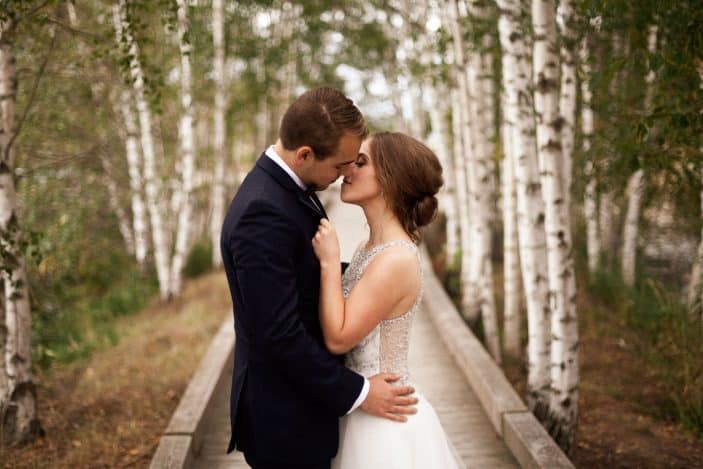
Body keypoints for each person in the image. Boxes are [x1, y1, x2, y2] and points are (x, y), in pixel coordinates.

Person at [220, 88, 418, 469]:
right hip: (284, 418)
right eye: (341, 164)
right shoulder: (262, 212)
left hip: (306, 409)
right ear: (305, 154)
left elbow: (299, 276)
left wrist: (373, 275)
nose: (345, 174)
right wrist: (360, 392)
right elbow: (277, 334)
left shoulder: (289, 188)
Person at [312, 131, 464, 468]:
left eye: (361, 162)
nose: (348, 168)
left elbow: (338, 338)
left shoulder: (395, 259)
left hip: (383, 422)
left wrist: (327, 262)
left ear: (390, 179)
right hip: (364, 408)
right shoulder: (370, 247)